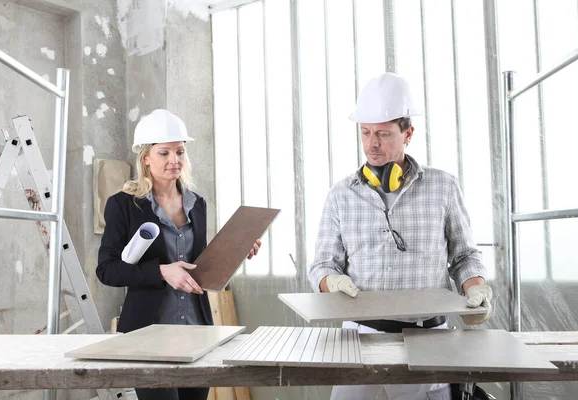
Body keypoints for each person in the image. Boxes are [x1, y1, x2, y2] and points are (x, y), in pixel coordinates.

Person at [307, 73, 493, 400]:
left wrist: (475, 287)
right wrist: (330, 282)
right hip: (359, 341)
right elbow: (322, 265)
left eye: (382, 133)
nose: (371, 144)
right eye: (364, 132)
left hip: (429, 341)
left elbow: (465, 256)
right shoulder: (341, 195)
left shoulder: (443, 187)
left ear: (408, 133)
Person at [97, 109, 261, 400]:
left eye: (180, 152)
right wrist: (162, 271)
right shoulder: (123, 204)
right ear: (145, 157)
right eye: (164, 153)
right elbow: (107, 270)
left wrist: (237, 250)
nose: (174, 160)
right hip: (147, 334)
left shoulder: (196, 203)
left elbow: (200, 266)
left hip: (197, 331)